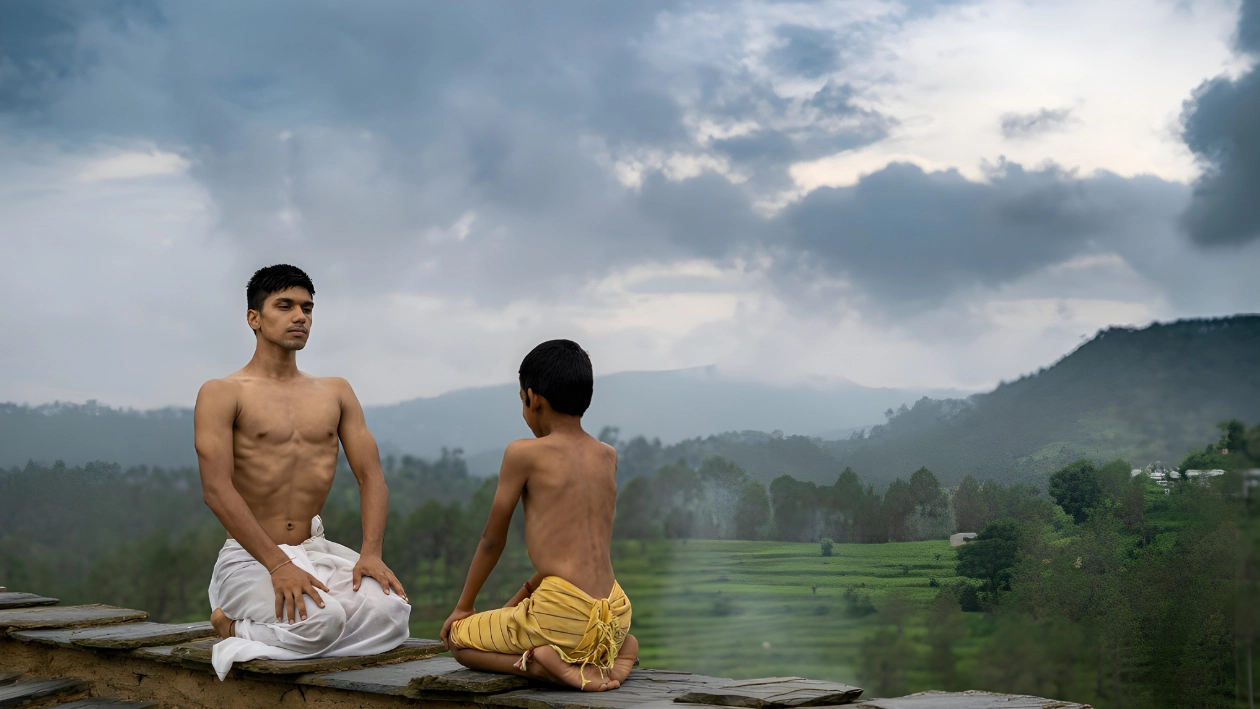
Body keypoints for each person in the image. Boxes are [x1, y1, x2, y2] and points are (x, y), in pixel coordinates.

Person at [195, 264, 411, 681]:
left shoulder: (335, 391)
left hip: (314, 550)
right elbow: (217, 490)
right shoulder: (222, 392)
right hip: (251, 558)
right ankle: (232, 624)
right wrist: (278, 566)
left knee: (392, 614)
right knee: (322, 621)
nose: (301, 317)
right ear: (253, 318)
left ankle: (285, 632)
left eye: (308, 308)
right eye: (285, 306)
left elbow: (372, 477)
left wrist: (371, 554)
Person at [440, 340, 638, 692]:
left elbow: (491, 540)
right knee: (593, 633)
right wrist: (515, 601)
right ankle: (619, 658)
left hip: (561, 618)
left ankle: (542, 665)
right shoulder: (607, 455)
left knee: (459, 642)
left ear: (533, 399)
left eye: (521, 401)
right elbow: (568, 555)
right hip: (616, 612)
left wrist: (463, 608)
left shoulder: (524, 453)